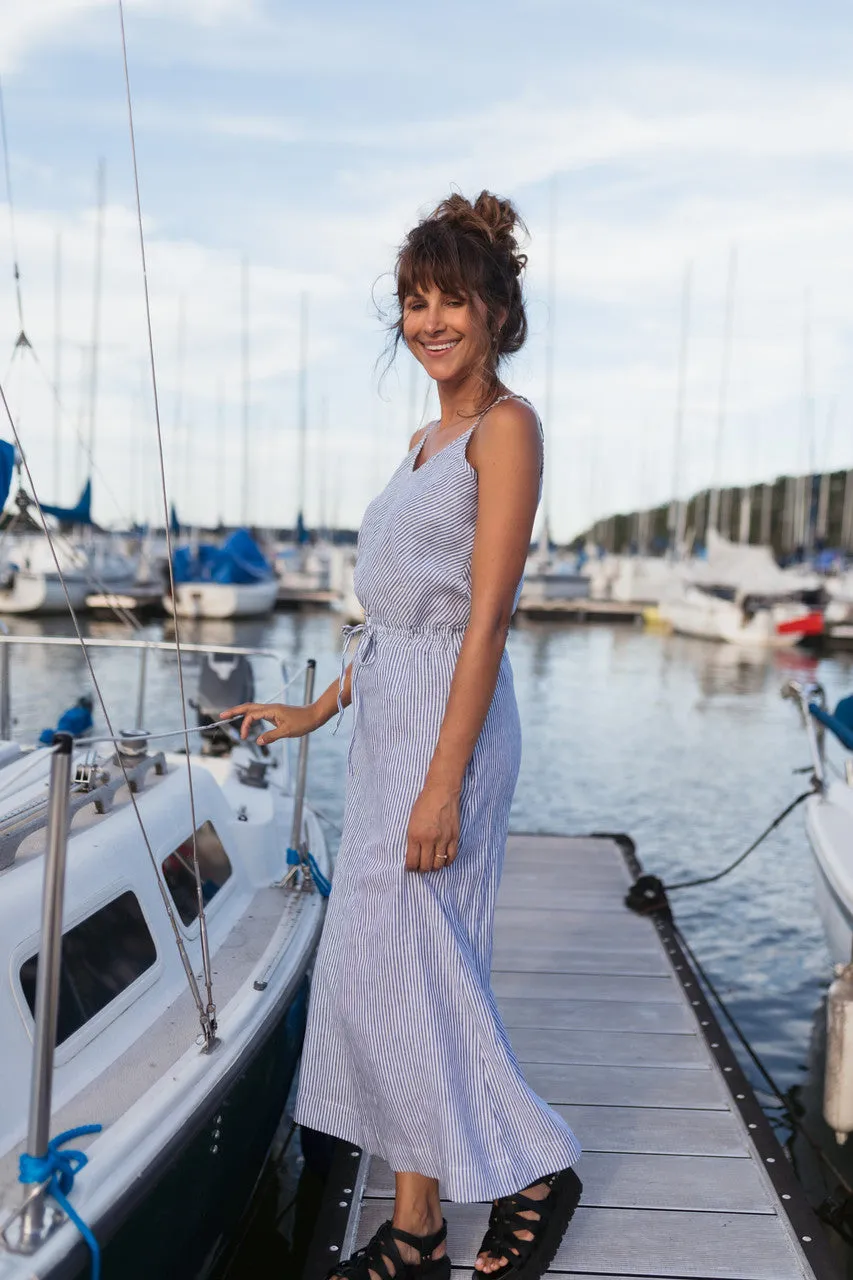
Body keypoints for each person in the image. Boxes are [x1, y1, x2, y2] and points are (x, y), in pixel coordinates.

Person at [222, 191, 582, 1280]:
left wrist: (443, 780)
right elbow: (394, 618)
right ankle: (418, 1223)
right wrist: (316, 709)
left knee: (409, 962)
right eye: (414, 302)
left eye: (451, 301)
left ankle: (532, 1167)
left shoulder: (505, 428)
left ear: (497, 310)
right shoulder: (423, 437)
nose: (429, 321)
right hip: (389, 712)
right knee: (400, 966)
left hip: (448, 731)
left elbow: (482, 619)